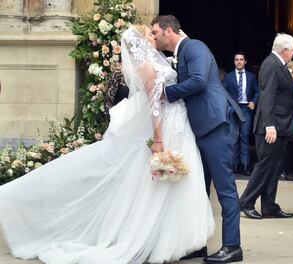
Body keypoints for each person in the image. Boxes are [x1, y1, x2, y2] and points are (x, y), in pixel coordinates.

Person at [0, 25, 215, 263]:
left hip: (179, 124)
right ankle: (155, 238)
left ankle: (176, 239)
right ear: (142, 43)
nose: (155, 37)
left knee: (179, 187)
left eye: (155, 33)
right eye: (151, 35)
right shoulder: (146, 68)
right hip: (167, 128)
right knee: (162, 188)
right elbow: (154, 106)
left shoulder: (160, 61)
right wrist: (159, 139)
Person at [151, 15, 243, 263]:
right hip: (201, 129)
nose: (154, 37)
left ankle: (233, 246)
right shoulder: (182, 52)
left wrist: (165, 93)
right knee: (199, 190)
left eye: (156, 32)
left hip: (216, 124)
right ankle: (199, 244)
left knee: (225, 189)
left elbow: (199, 81)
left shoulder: (195, 46)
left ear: (169, 31)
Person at [239, 33, 293, 220]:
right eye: (292, 49)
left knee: (274, 168)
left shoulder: (279, 65)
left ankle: (269, 206)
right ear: (284, 50)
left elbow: (284, 99)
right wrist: (269, 126)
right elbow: (268, 97)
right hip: (271, 126)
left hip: (282, 125)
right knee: (265, 166)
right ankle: (246, 202)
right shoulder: (270, 64)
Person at [223, 51, 259, 175]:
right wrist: (228, 106)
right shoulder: (229, 76)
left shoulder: (251, 76)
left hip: (245, 109)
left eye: (241, 59)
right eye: (236, 59)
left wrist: (254, 102)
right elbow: (224, 93)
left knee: (244, 137)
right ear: (234, 62)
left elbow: (257, 92)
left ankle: (245, 166)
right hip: (233, 109)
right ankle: (234, 165)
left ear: (245, 61)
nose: (239, 62)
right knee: (233, 139)